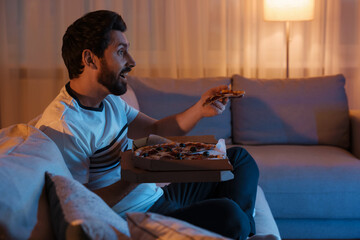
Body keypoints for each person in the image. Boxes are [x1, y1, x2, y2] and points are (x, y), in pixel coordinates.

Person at [35, 10, 259, 240]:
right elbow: (82, 205)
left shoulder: (110, 100)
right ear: (90, 59)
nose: (131, 62)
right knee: (229, 214)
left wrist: (200, 108)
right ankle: (237, 228)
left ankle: (242, 232)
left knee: (239, 160)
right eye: (121, 52)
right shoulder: (65, 127)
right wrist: (138, 176)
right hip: (138, 216)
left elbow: (157, 130)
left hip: (157, 196)